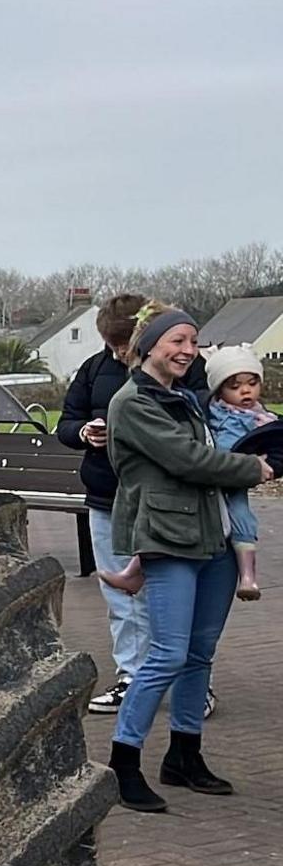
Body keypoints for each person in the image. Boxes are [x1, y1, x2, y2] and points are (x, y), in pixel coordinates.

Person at [101, 306, 273, 811]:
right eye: (176, 340)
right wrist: (253, 467)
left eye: (193, 343)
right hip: (168, 538)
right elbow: (187, 459)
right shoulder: (132, 402)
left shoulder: (184, 400)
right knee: (167, 655)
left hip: (213, 538)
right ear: (150, 345)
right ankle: (123, 764)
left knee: (200, 654)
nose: (185, 351)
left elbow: (212, 449)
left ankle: (183, 755)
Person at [59, 293, 150, 714]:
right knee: (116, 591)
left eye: (124, 342)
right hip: (105, 495)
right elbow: (66, 422)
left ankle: (187, 681)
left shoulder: (175, 365)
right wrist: (84, 433)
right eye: (112, 343)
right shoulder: (94, 368)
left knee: (166, 592)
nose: (118, 351)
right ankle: (131, 674)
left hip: (156, 499)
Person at [203, 343, 272, 600]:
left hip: (235, 482)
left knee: (242, 518)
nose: (245, 391)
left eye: (252, 384)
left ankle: (248, 576)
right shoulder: (216, 414)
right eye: (235, 386)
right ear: (219, 390)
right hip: (216, 475)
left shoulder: (260, 418)